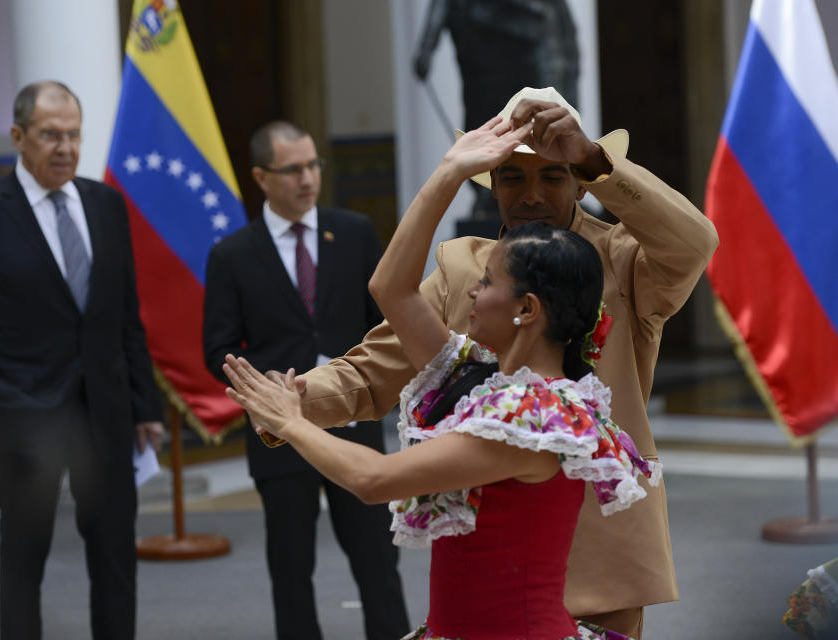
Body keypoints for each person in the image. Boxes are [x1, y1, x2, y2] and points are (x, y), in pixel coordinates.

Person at [281, 86, 720, 639]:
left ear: (578, 180)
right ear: (491, 184)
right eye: (512, 177)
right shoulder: (468, 271)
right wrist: (289, 401)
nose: (532, 195)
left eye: (554, 176)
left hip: (601, 553)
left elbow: (695, 243)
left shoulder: (622, 257)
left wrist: (592, 157)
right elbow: (373, 368)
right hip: (490, 545)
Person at [0, 81, 164, 640]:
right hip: (24, 422)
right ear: (18, 137)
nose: (64, 147)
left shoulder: (106, 206)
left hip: (106, 417)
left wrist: (144, 405)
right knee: (24, 561)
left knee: (115, 559)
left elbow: (125, 318)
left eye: (73, 135)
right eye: (49, 135)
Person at [203, 121, 409, 640]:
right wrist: (260, 385)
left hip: (355, 420)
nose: (307, 178)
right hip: (278, 431)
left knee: (377, 563)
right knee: (291, 570)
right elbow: (217, 346)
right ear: (260, 177)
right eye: (292, 169)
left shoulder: (354, 231)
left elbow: (385, 322)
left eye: (313, 165)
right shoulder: (232, 254)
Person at [413, 0, 580, 219]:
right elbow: (440, 6)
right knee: (481, 119)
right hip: (477, 56)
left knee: (516, 120)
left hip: (513, 48)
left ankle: (525, 182)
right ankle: (487, 191)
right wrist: (426, 47)